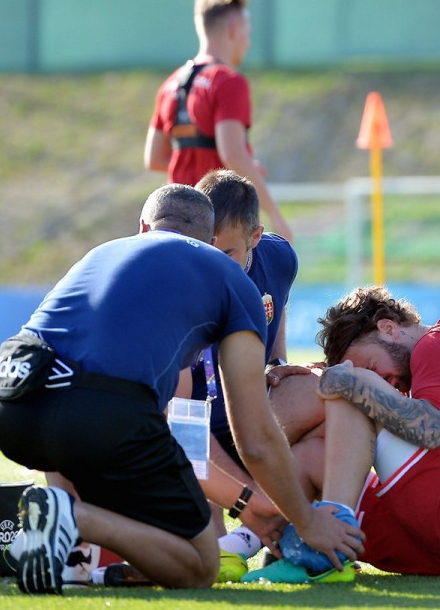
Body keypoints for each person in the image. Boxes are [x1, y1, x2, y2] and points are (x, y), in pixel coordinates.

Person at [0, 184, 361, 595]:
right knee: (200, 566)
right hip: (98, 413)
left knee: (73, 403)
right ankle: (75, 520)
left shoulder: (102, 253)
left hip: (10, 405)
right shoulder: (230, 278)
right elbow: (252, 438)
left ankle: (71, 555)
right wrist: (305, 520)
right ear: (211, 239)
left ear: (143, 226)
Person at [245, 285, 440, 580]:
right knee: (310, 455)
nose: (381, 376)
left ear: (388, 328)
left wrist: (348, 380)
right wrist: (318, 371)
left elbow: (430, 430)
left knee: (354, 387)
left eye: (371, 362)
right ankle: (267, 551)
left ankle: (313, 545)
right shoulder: (439, 353)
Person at [186, 168, 311, 582]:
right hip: (195, 424)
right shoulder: (182, 274)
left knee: (324, 393)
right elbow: (178, 409)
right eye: (205, 249)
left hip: (251, 416)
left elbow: (279, 301)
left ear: (255, 238)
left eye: (227, 255)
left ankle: (296, 542)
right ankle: (237, 538)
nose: (213, 265)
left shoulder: (280, 257)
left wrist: (277, 361)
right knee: (209, 563)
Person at [144, 0, 293, 242]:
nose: (248, 41)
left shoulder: (171, 83)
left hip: (171, 222)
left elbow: (154, 158)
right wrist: (277, 217)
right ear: (234, 30)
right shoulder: (227, 81)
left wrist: (198, 159)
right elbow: (233, 154)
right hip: (213, 224)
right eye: (247, 32)